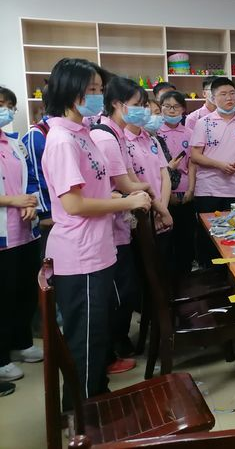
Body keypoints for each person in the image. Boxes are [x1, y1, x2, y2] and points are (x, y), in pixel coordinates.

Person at [41, 58, 150, 403]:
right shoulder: (62, 140)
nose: (96, 96)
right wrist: (125, 202)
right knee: (85, 341)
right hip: (80, 253)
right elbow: (73, 204)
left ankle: (96, 400)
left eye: (99, 89)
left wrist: (117, 196)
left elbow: (93, 188)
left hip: (98, 248)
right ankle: (83, 414)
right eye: (90, 89)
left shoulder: (84, 133)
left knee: (97, 335)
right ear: (68, 91)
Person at [90, 75, 158, 370]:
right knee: (119, 292)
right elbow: (125, 184)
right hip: (109, 228)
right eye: (137, 104)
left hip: (119, 224)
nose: (143, 110)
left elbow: (129, 179)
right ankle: (109, 352)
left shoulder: (115, 134)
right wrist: (146, 191)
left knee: (125, 289)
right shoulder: (105, 137)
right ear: (118, 104)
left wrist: (145, 191)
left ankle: (114, 347)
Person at [0, 87, 42, 383]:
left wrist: (29, 203)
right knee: (2, 296)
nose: (5, 110)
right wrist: (11, 200)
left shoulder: (14, 143)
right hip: (2, 234)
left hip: (24, 231)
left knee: (24, 291)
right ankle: (1, 357)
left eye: (9, 105)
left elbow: (30, 178)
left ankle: (22, 342)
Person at [191, 77, 235, 214]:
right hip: (207, 189)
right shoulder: (203, 122)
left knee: (234, 227)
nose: (229, 97)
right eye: (223, 94)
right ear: (213, 98)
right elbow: (195, 156)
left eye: (232, 93)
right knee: (208, 227)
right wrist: (219, 165)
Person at [123, 88, 174, 271]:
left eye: (145, 105)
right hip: (142, 214)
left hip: (162, 213)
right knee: (145, 269)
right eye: (139, 105)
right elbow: (133, 182)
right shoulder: (122, 141)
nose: (144, 111)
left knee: (165, 265)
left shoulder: (152, 139)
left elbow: (164, 174)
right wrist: (159, 210)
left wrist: (163, 209)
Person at [158, 90, 196, 275]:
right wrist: (168, 193)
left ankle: (186, 272)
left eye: (176, 107)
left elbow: (192, 163)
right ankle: (169, 275)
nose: (171, 110)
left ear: (183, 109)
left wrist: (191, 189)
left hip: (185, 190)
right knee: (167, 238)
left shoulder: (190, 133)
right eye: (167, 106)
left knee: (186, 235)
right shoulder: (156, 133)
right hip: (164, 194)